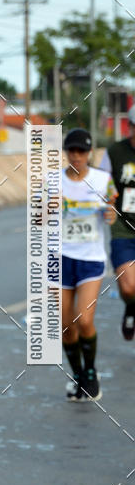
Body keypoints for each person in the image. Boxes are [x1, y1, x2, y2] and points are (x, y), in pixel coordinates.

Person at [61, 128, 117, 400]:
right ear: (66, 152)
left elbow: (113, 208)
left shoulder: (103, 179)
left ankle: (91, 371)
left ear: (90, 153)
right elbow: (38, 218)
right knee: (64, 325)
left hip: (90, 258)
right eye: (72, 150)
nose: (77, 156)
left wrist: (110, 214)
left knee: (84, 320)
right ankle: (77, 374)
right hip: (59, 257)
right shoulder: (52, 180)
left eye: (82, 151)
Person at [100, 105, 135, 340]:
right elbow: (101, 183)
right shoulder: (115, 152)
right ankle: (131, 308)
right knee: (128, 287)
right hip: (124, 225)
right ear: (130, 127)